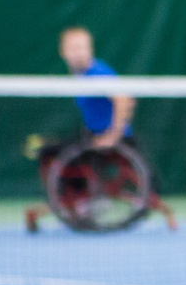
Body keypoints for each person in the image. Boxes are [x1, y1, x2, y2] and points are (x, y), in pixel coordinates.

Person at [24, 26, 143, 231]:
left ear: (90, 49)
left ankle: (85, 201)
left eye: (82, 47)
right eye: (73, 48)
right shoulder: (79, 75)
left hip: (112, 140)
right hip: (91, 134)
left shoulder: (97, 72)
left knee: (57, 155)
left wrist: (113, 135)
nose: (78, 52)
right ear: (63, 52)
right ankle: (73, 201)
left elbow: (125, 99)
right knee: (47, 150)